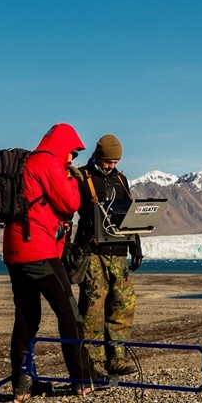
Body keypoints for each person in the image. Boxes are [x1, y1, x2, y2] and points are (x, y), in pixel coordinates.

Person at [3, 123, 101, 401]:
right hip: (38, 249)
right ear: (63, 146)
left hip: (15, 250)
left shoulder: (27, 163)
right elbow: (70, 203)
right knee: (68, 311)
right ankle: (83, 378)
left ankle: (22, 383)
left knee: (26, 316)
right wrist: (73, 180)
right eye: (72, 152)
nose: (72, 159)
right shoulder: (48, 162)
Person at [73, 134, 143, 376]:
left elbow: (131, 217)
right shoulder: (82, 178)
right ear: (98, 156)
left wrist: (136, 246)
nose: (111, 166)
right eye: (108, 161)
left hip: (118, 254)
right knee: (93, 308)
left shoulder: (121, 180)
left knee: (123, 304)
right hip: (92, 254)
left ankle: (117, 358)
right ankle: (94, 363)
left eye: (115, 161)